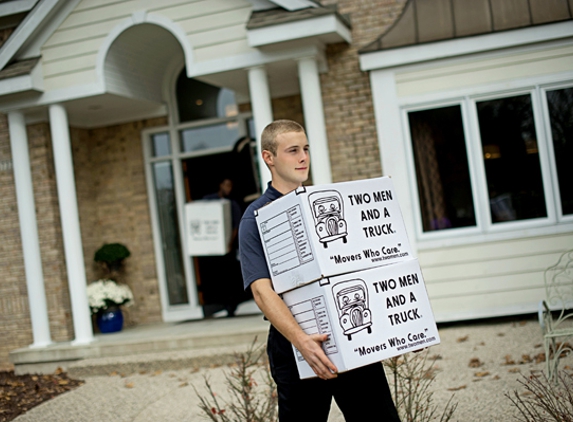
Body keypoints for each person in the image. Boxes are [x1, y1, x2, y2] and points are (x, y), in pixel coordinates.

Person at [238, 120, 401, 421]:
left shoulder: (327, 204)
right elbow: (262, 292)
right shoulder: (255, 218)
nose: (303, 157)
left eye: (306, 149)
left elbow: (365, 268)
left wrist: (400, 330)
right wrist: (301, 341)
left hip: (350, 335)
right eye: (293, 150)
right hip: (295, 348)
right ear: (268, 157)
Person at [202, 177, 246, 317]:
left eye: (230, 186)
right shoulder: (209, 200)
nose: (228, 189)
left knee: (230, 276)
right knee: (216, 277)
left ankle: (230, 306)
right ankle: (218, 305)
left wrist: (229, 243)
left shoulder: (232, 204)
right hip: (213, 249)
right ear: (220, 185)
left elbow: (236, 226)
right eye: (226, 185)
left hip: (229, 249)